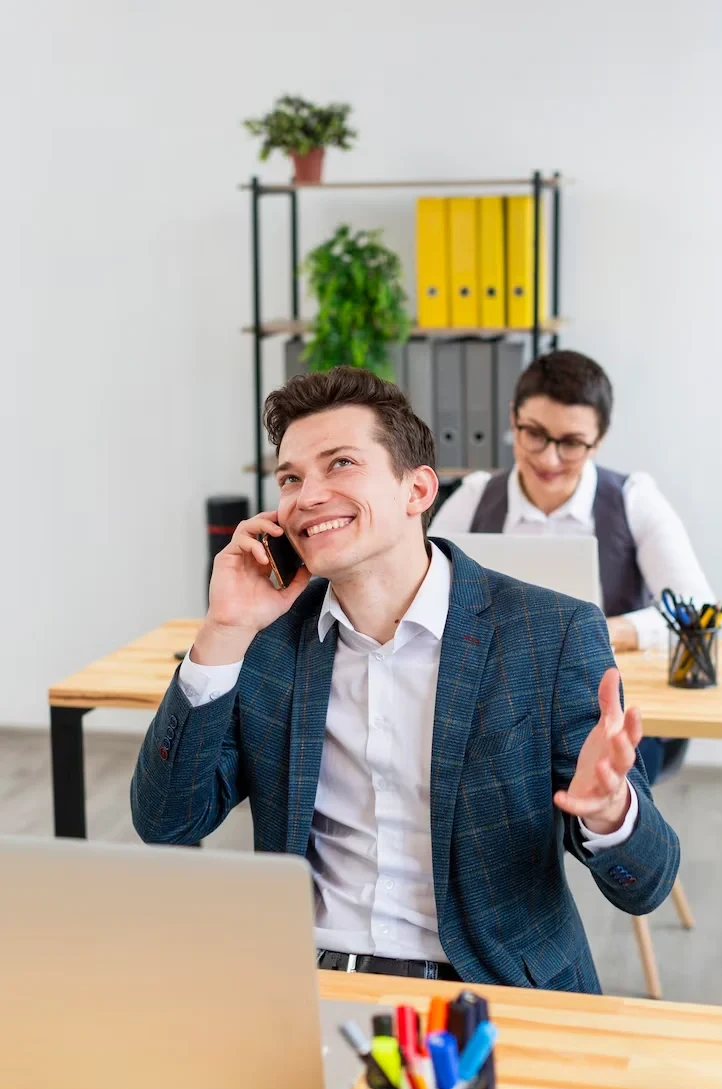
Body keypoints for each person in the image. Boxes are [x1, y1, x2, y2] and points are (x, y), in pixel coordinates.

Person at [131, 366, 679, 992]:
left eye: (340, 463)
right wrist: (223, 630)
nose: (307, 494)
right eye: (290, 477)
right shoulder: (262, 640)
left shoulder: (551, 634)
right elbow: (167, 823)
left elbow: (650, 882)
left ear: (417, 490)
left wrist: (611, 813)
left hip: (491, 991)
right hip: (308, 982)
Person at [430, 349, 713, 783]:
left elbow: (696, 610)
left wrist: (609, 630)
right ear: (513, 419)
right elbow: (424, 585)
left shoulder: (632, 498)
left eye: (571, 443)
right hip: (502, 710)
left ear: (598, 439)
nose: (548, 458)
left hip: (603, 707)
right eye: (534, 434)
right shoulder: (475, 497)